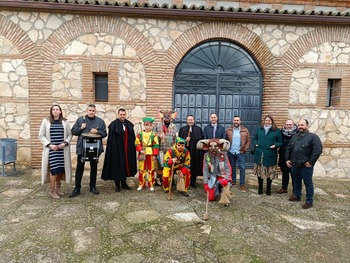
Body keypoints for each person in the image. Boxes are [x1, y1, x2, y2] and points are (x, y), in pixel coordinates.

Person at [69, 104, 107, 197]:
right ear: (87, 111)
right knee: (79, 168)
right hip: (82, 148)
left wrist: (97, 131)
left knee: (93, 168)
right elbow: (73, 131)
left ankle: (92, 187)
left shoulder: (100, 121)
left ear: (95, 111)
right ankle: (77, 188)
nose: (91, 112)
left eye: (93, 111)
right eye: (90, 110)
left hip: (95, 149)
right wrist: (81, 127)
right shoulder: (80, 120)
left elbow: (105, 133)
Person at [285, 119, 322, 209]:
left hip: (306, 166)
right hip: (295, 165)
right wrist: (287, 159)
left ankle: (309, 201)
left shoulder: (313, 137)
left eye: (302, 125)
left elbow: (317, 150)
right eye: (299, 125)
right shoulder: (294, 136)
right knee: (296, 181)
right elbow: (289, 148)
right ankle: (297, 195)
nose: (300, 126)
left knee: (308, 183)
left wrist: (311, 162)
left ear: (307, 125)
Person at [39, 104, 72, 199]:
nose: (55, 111)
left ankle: (58, 188)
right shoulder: (46, 121)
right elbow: (41, 136)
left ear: (60, 111)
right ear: (51, 111)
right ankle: (52, 191)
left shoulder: (65, 122)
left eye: (57, 109)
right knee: (54, 170)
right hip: (51, 150)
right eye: (53, 109)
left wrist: (65, 143)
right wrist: (50, 145)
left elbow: (70, 135)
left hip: (62, 150)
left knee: (61, 170)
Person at [101, 108, 137, 192]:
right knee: (117, 166)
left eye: (124, 114)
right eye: (121, 114)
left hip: (127, 150)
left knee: (125, 166)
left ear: (126, 115)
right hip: (116, 149)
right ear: (118, 115)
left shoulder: (129, 124)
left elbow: (132, 137)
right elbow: (111, 140)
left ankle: (124, 183)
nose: (122, 116)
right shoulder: (113, 125)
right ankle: (117, 185)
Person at [197, 139, 233, 206]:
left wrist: (226, 178)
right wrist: (205, 183)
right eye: (211, 147)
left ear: (219, 147)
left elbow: (228, 168)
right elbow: (205, 170)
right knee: (210, 198)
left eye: (215, 146)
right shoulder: (206, 155)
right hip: (212, 176)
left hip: (222, 176)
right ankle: (217, 190)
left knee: (227, 184)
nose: (213, 149)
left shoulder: (223, 154)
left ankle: (224, 194)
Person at [253, 115, 282, 195]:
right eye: (266, 120)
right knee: (259, 172)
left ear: (272, 122)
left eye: (269, 120)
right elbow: (254, 138)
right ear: (264, 121)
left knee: (269, 173)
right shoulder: (259, 129)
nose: (267, 122)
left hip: (270, 154)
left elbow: (280, 142)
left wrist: (275, 145)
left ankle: (268, 189)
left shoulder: (276, 131)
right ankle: (260, 188)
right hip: (259, 154)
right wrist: (256, 144)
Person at [178, 114, 204, 188]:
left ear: (194, 120)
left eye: (191, 120)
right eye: (189, 120)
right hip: (185, 151)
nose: (190, 121)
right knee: (185, 165)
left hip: (195, 152)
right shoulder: (182, 129)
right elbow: (179, 140)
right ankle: (183, 181)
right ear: (187, 121)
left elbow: (201, 140)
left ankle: (193, 182)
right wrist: (185, 140)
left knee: (194, 166)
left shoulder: (198, 129)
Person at [226, 116, 251, 192]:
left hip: (241, 152)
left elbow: (248, 140)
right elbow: (225, 140)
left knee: (242, 168)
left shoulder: (245, 130)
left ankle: (242, 184)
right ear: (233, 121)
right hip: (231, 152)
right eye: (235, 120)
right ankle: (233, 181)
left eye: (237, 120)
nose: (236, 121)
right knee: (232, 167)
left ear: (240, 121)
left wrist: (245, 149)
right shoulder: (228, 130)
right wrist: (227, 149)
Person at [154, 109, 178, 184]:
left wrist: (175, 148)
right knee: (160, 165)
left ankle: (170, 179)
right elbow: (152, 134)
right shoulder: (158, 125)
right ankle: (160, 179)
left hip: (170, 149)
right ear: (163, 117)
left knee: (170, 164)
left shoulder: (174, 126)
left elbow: (176, 138)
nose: (167, 118)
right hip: (161, 149)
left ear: (171, 117)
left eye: (168, 117)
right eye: (165, 117)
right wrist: (158, 135)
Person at [135, 117, 159, 191]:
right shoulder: (140, 134)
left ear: (151, 125)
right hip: (142, 153)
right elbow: (136, 143)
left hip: (150, 153)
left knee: (151, 169)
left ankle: (151, 184)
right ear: (144, 125)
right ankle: (141, 184)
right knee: (142, 169)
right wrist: (140, 150)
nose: (147, 126)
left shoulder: (154, 134)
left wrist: (155, 155)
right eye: (146, 125)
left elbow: (156, 145)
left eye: (149, 125)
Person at [276, 119, 298, 194]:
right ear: (285, 125)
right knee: (285, 173)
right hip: (283, 156)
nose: (288, 126)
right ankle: (284, 188)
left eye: (290, 125)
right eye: (287, 125)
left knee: (294, 174)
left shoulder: (297, 133)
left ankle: (295, 191)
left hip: (294, 157)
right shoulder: (281, 132)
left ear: (293, 125)